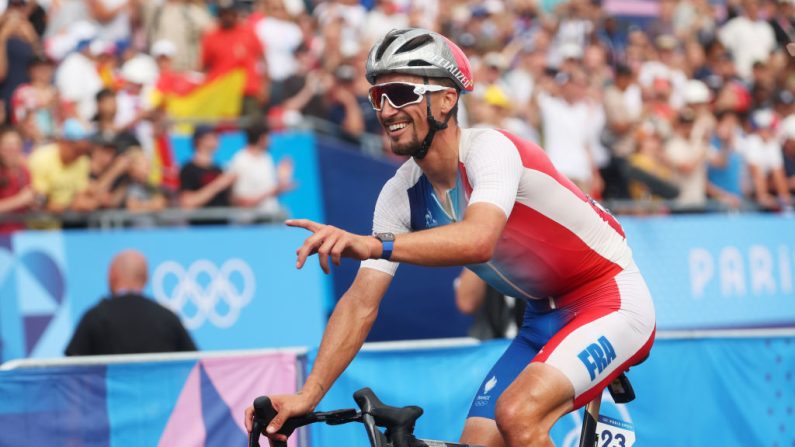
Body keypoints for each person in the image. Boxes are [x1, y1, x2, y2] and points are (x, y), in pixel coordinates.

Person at [245, 28, 656, 447]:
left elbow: (479, 240)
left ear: (447, 98)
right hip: (542, 319)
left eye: (401, 92)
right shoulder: (398, 194)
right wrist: (307, 395)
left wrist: (372, 244)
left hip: (609, 297)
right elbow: (360, 303)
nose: (386, 110)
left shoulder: (490, 150)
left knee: (518, 414)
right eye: (377, 96)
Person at [65, 250, 197, 355]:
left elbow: (74, 370)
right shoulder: (168, 318)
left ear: (112, 275)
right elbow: (194, 363)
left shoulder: (94, 317)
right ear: (146, 278)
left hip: (108, 390)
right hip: (159, 389)